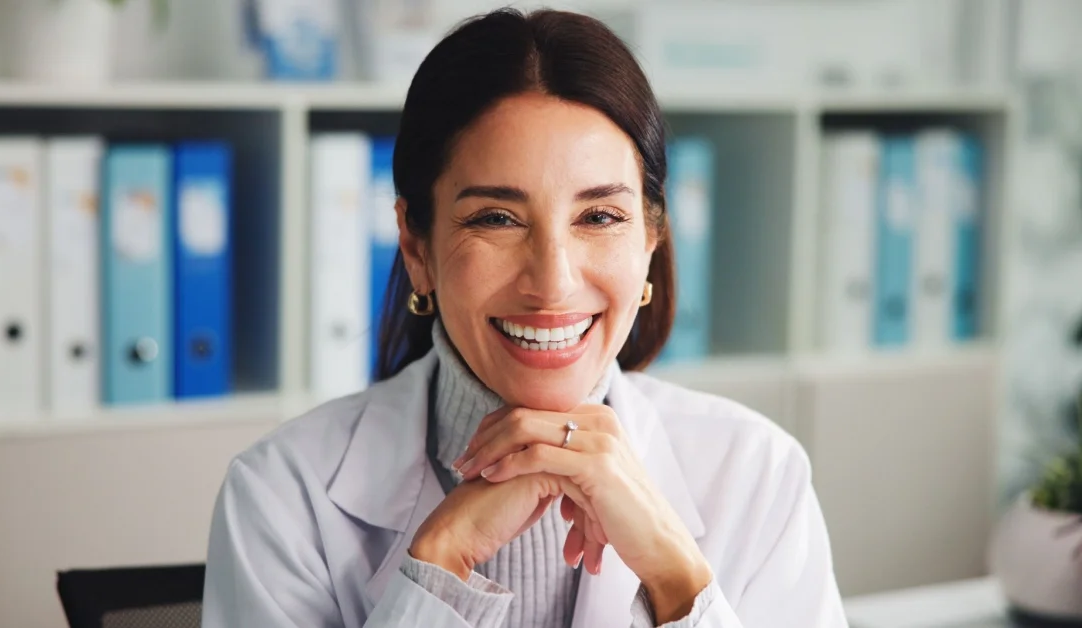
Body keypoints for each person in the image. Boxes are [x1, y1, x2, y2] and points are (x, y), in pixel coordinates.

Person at [201, 8, 847, 628]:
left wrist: (680, 584)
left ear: (651, 241)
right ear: (416, 246)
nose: (554, 283)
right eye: (496, 219)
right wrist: (438, 567)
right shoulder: (282, 494)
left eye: (599, 217)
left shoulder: (758, 473)